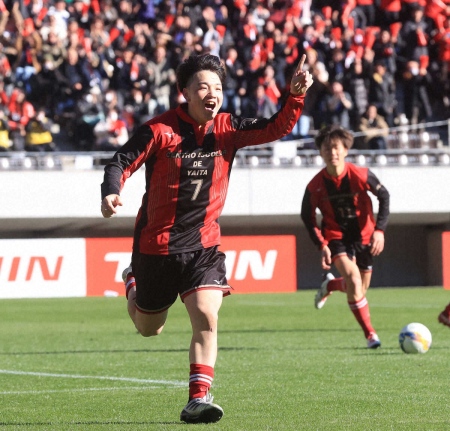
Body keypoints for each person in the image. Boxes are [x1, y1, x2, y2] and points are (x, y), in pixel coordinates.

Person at [100, 53, 313, 423]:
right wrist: (111, 190)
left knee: (206, 314)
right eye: (203, 86)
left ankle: (198, 399)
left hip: (203, 246)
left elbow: (276, 128)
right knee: (149, 328)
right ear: (185, 92)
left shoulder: (229, 127)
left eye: (217, 87)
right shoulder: (159, 130)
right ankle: (132, 280)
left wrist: (294, 96)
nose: (211, 93)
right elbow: (120, 161)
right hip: (156, 248)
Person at [301, 125, 390, 349]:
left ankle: (330, 286)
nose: (333, 152)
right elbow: (307, 216)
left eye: (337, 148)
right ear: (320, 152)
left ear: (346, 150)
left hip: (365, 237)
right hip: (336, 237)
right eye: (327, 148)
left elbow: (384, 195)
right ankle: (371, 335)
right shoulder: (315, 186)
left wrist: (380, 230)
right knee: (354, 280)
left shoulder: (360, 174)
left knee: (359, 288)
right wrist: (322, 244)